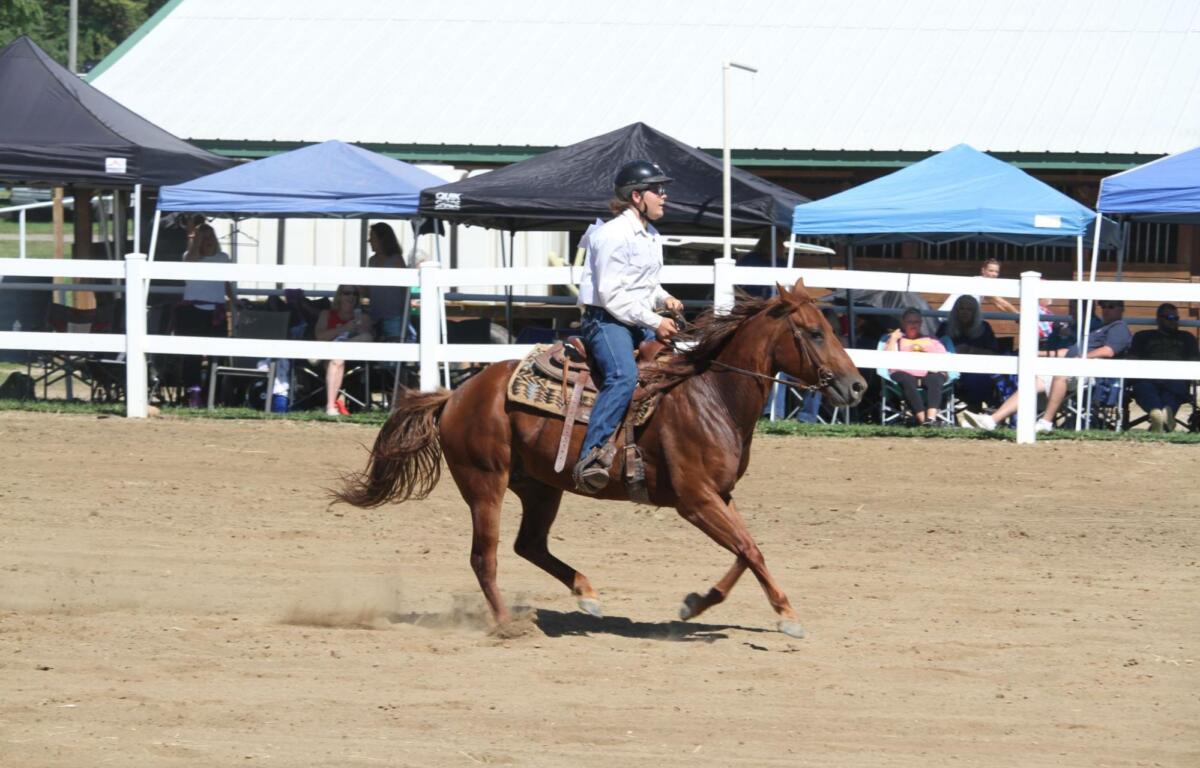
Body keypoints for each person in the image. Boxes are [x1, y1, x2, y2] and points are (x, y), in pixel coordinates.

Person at [572, 160, 684, 493]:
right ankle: (592, 454)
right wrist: (655, 320)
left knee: (678, 368)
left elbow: (645, 284)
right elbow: (611, 294)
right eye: (657, 190)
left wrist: (665, 298)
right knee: (623, 375)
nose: (664, 196)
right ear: (637, 196)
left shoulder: (651, 235)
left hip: (635, 318)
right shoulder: (610, 235)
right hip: (606, 321)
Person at [962, 300, 1132, 432]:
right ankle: (992, 420)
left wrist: (1081, 358)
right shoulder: (1100, 329)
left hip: (1092, 373)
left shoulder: (1119, 328)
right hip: (1072, 366)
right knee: (1032, 382)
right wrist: (1038, 353)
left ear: (1121, 309)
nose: (1106, 310)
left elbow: (1108, 351)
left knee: (1061, 374)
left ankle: (1046, 422)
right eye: (1104, 306)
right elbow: (1068, 351)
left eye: (1111, 306)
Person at [174, 221, 235, 406]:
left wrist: (234, 300)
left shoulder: (223, 257)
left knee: (218, 354)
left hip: (216, 311)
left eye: (210, 236)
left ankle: (212, 393)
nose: (208, 240)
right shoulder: (189, 256)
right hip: (193, 311)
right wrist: (196, 240)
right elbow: (190, 260)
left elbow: (225, 282)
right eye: (204, 237)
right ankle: (193, 391)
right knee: (192, 355)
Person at [1129, 303, 1199, 431]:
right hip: (1148, 377)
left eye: (1176, 318)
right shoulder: (1143, 336)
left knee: (1175, 390)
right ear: (1159, 319)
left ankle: (1160, 415)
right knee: (1143, 388)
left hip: (1176, 377)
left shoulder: (1187, 337)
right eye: (1170, 318)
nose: (1174, 321)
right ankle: (1161, 414)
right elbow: (1133, 359)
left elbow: (1194, 360)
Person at [314, 284, 373, 415]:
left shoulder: (362, 317)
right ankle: (330, 406)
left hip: (353, 357)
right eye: (347, 293)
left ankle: (330, 406)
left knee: (364, 338)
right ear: (339, 295)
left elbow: (367, 338)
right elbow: (320, 337)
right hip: (327, 355)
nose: (351, 296)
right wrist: (343, 329)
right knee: (337, 360)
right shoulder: (327, 314)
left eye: (354, 294)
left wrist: (358, 327)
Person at [885, 307, 949, 426]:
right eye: (910, 322)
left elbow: (942, 357)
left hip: (929, 371)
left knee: (935, 379)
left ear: (921, 323)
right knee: (906, 380)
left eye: (916, 322)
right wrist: (893, 338)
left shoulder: (931, 339)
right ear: (903, 323)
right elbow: (887, 359)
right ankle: (923, 421)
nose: (913, 325)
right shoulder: (898, 340)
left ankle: (931, 418)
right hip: (904, 372)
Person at [936, 295, 998, 411]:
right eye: (961, 309)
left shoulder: (984, 327)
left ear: (975, 312)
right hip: (951, 370)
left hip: (977, 369)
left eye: (969, 309)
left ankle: (974, 410)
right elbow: (936, 348)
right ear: (956, 310)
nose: (965, 312)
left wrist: (970, 351)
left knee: (976, 378)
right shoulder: (945, 327)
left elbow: (993, 352)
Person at [364, 223, 412, 340]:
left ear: (382, 240)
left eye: (372, 237)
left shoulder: (396, 261)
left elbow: (405, 291)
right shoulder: (372, 261)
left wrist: (406, 316)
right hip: (375, 316)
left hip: (394, 318)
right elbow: (369, 289)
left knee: (394, 345)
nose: (369, 241)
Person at [938, 257, 1018, 316]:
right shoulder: (981, 282)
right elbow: (1002, 303)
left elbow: (999, 305)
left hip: (951, 317)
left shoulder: (981, 284)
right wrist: (1019, 315)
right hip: (948, 317)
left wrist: (1014, 316)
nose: (994, 274)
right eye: (991, 271)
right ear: (983, 270)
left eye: (996, 272)